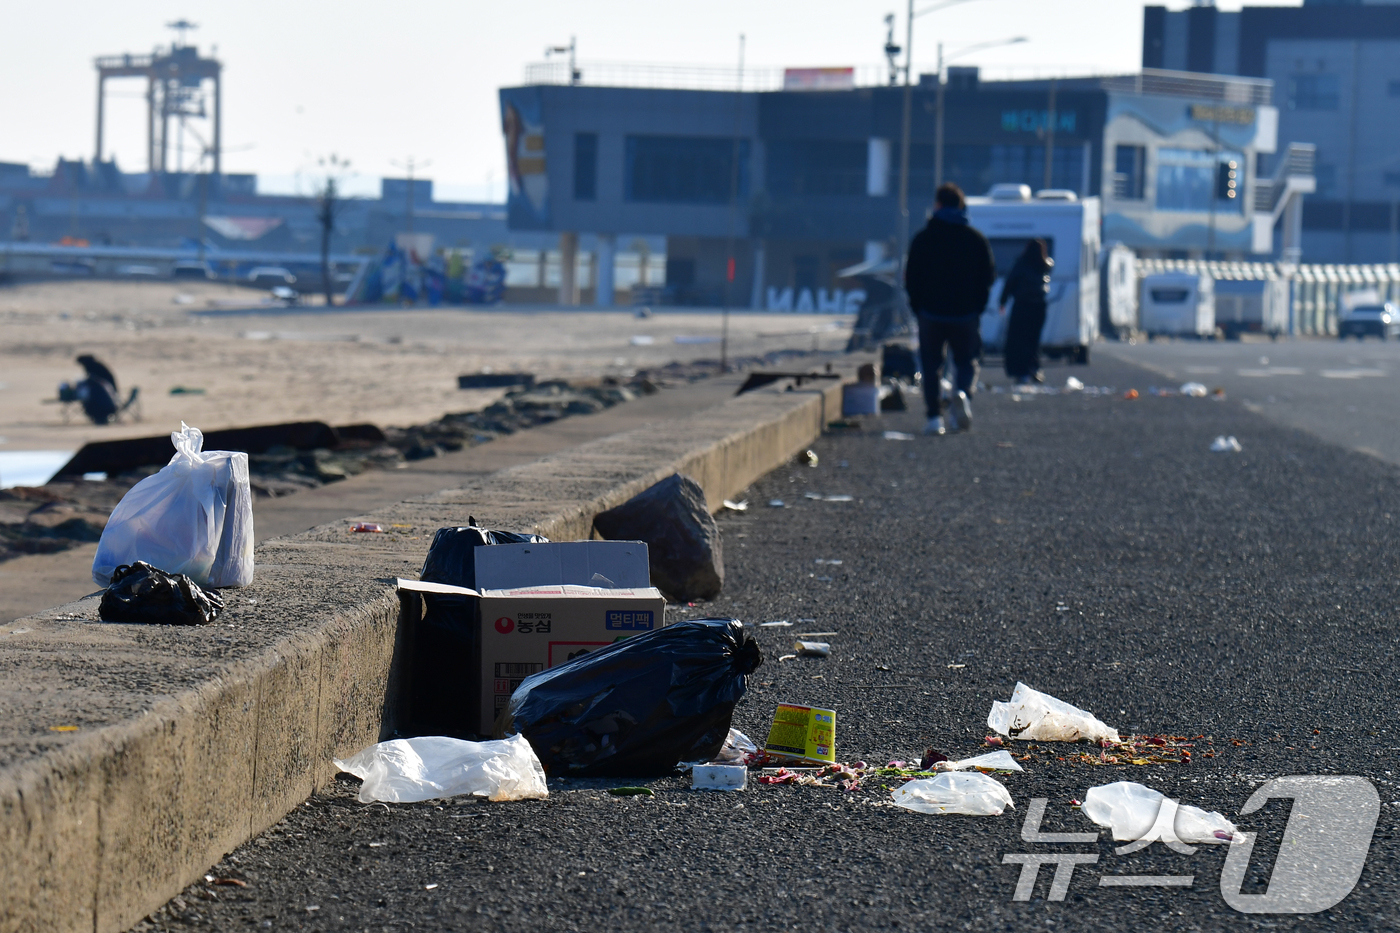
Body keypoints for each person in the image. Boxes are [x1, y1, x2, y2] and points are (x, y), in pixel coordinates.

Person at [905, 182, 996, 435]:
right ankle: (962, 394)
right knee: (967, 361)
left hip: (931, 313)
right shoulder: (975, 239)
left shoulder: (923, 238)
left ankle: (934, 418)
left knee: (932, 365)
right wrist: (978, 305)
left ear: (937, 205)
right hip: (965, 314)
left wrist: (918, 306)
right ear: (961, 206)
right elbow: (987, 276)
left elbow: (911, 277)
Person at [1000, 239, 1053, 385]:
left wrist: (1002, 301)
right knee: (1034, 341)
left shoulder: (1021, 264)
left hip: (1022, 307)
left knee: (1019, 340)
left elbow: (1010, 282)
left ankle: (1021, 371)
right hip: (1039, 307)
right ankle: (1034, 369)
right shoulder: (1044, 265)